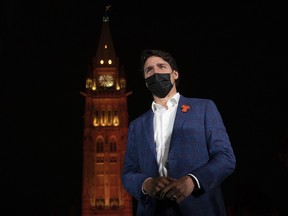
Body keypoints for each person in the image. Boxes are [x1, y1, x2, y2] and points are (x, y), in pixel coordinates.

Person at [121, 49, 236, 216]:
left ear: (175, 74)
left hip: (200, 208)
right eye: (149, 70)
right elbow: (128, 173)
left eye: (161, 66)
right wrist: (146, 184)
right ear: (146, 81)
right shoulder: (136, 125)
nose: (155, 72)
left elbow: (226, 157)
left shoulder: (203, 108)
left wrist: (193, 181)